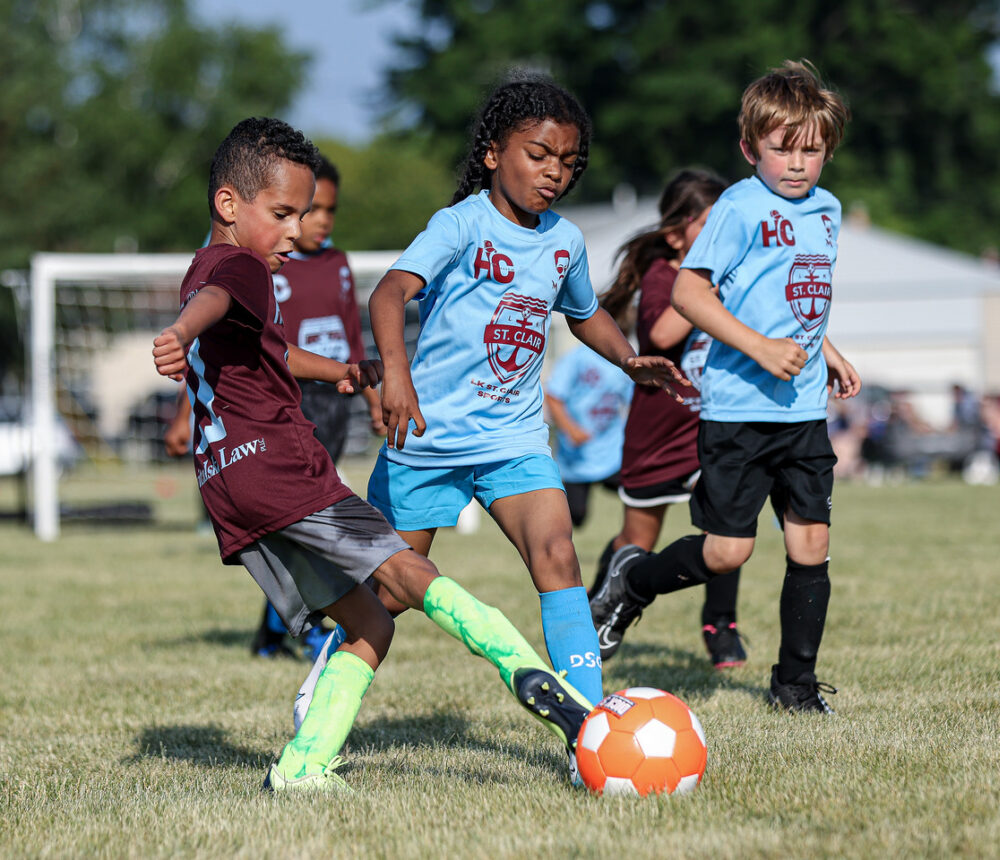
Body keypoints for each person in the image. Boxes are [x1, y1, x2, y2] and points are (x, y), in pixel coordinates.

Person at [152, 116, 595, 793]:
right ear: (229, 205)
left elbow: (268, 352)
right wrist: (182, 331)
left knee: (369, 623)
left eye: (303, 214)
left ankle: (301, 768)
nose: (298, 231)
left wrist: (340, 372)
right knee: (406, 574)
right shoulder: (238, 267)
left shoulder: (209, 263)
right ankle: (527, 674)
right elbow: (214, 303)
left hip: (229, 487)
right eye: (283, 214)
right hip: (280, 470)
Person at [293, 76, 688, 749]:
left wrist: (628, 360)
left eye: (568, 162)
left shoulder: (563, 241)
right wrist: (396, 375)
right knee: (388, 597)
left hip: (513, 440)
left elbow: (585, 313)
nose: (554, 174)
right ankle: (325, 685)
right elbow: (388, 294)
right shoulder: (461, 224)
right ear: (492, 154)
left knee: (557, 556)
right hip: (427, 439)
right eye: (539, 155)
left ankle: (588, 735)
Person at [589, 60, 861, 714]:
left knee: (811, 543)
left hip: (801, 413)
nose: (798, 164)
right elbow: (690, 292)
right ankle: (636, 581)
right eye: (781, 149)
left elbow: (790, 299)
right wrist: (760, 349)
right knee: (728, 549)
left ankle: (794, 686)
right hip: (738, 411)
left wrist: (826, 348)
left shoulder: (827, 211)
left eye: (812, 150)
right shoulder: (738, 207)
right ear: (750, 148)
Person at [594, 168, 751, 669]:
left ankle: (720, 626)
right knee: (636, 542)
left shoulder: (730, 276)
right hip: (657, 436)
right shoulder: (667, 277)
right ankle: (601, 600)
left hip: (711, 429)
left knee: (728, 524)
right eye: (712, 224)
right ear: (675, 233)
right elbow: (661, 334)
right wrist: (706, 293)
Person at [248, 155, 385, 661]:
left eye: (329, 209)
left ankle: (273, 631)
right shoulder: (267, 267)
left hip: (335, 399)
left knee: (308, 513)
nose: (320, 220)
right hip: (288, 399)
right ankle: (301, 625)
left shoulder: (338, 264)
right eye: (309, 210)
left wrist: (372, 399)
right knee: (304, 514)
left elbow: (352, 335)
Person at [543, 341, 633, 528]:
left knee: (640, 490)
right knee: (576, 516)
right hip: (577, 457)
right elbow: (553, 396)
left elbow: (634, 399)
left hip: (612, 452)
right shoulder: (575, 359)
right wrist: (571, 428)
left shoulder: (625, 359)